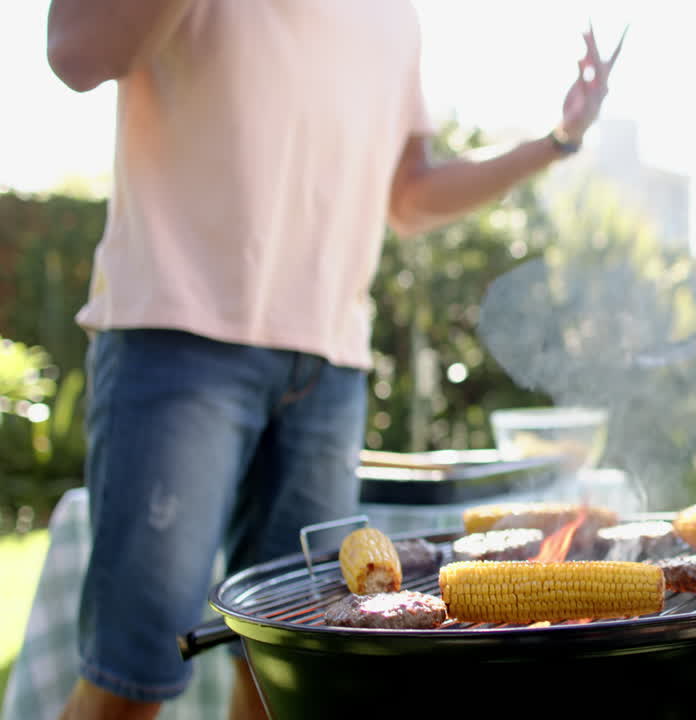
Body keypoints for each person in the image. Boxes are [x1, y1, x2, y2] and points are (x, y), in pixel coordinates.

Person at [44, 2, 622, 718]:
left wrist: (557, 141)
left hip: (328, 371)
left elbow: (409, 196)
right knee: (129, 683)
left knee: (283, 678)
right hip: (176, 339)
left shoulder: (394, 16)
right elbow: (76, 52)